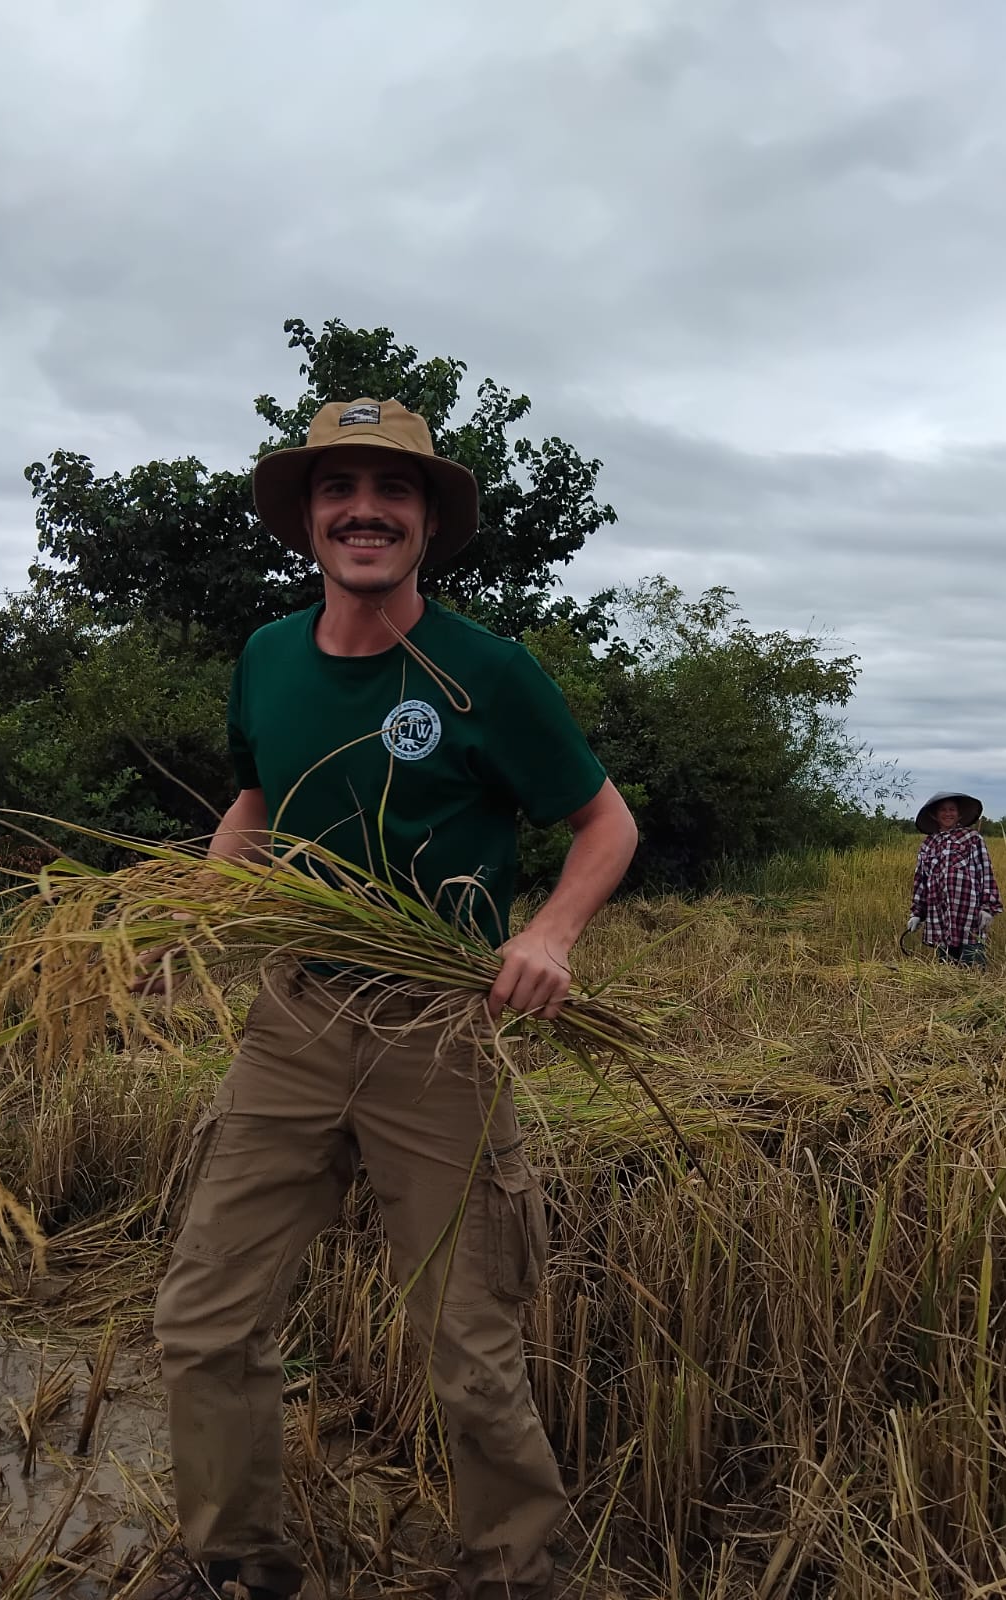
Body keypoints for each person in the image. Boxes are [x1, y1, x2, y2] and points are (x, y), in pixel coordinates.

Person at [141, 399, 639, 1600]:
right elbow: (258, 804)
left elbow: (604, 820)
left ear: (427, 521)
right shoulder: (266, 656)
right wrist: (188, 913)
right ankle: (232, 1562)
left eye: (393, 491)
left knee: (470, 1347)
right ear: (307, 518)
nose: (365, 509)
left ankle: (513, 1574)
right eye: (338, 489)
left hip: (441, 1035)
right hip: (293, 1019)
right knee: (204, 1318)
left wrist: (550, 934)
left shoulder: (486, 670)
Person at [906, 790, 1003, 966]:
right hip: (939, 915)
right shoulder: (928, 844)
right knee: (946, 971)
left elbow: (986, 872)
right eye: (943, 810)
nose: (948, 813)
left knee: (972, 969)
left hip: (969, 914)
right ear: (935, 815)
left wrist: (988, 907)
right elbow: (921, 880)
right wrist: (917, 913)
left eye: (952, 809)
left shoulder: (972, 839)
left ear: (959, 814)